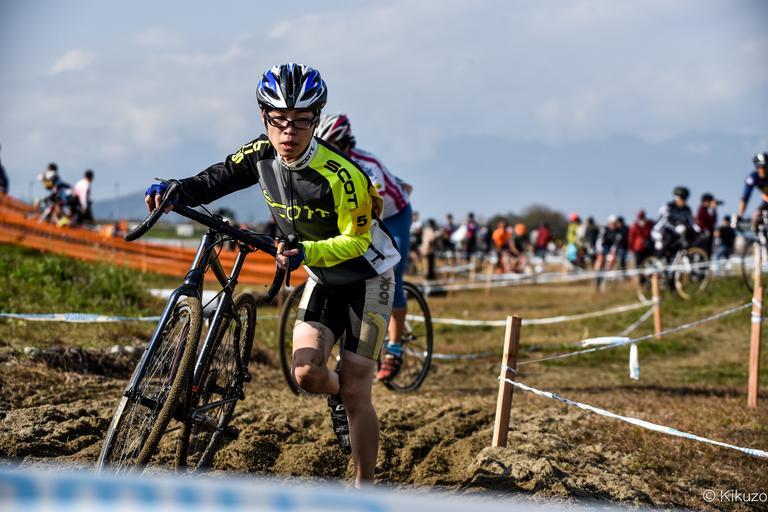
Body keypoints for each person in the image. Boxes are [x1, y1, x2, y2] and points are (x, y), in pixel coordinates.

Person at [143, 63, 399, 487]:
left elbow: (356, 242)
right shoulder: (261, 153)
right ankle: (341, 393)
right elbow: (219, 177)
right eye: (279, 120)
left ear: (316, 119)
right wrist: (177, 190)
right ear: (264, 117)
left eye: (301, 121)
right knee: (306, 374)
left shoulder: (343, 175)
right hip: (322, 276)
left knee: (358, 391)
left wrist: (306, 252)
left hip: (368, 279)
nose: (289, 132)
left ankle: (364, 490)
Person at [314, 113, 413, 383]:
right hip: (364, 215)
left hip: (393, 215)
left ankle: (394, 349)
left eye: (332, 145)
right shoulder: (324, 162)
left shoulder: (367, 165)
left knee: (392, 272)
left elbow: (371, 208)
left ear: (345, 143)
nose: (328, 151)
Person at [651, 186, 699, 258]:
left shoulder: (687, 209)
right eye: (682, 198)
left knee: (684, 241)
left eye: (685, 199)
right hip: (661, 231)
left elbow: (692, 223)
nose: (683, 201)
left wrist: (699, 231)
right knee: (661, 244)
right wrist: (676, 225)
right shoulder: (668, 206)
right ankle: (657, 261)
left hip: (676, 232)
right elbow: (665, 220)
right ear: (676, 198)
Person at [737, 152, 768, 231]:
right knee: (756, 217)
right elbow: (745, 197)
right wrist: (740, 215)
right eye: (759, 167)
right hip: (766, 201)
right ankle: (759, 237)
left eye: (764, 166)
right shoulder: (752, 177)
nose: (762, 169)